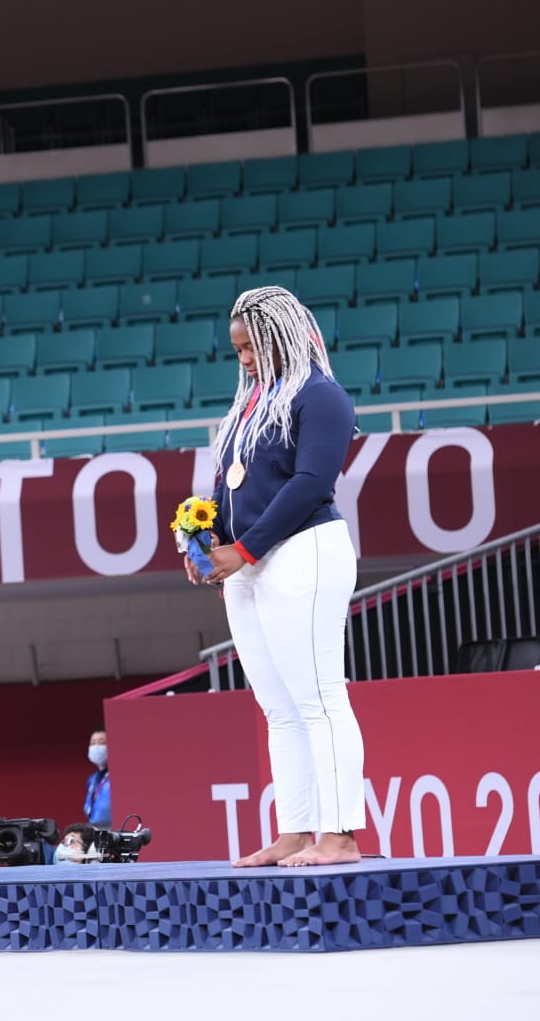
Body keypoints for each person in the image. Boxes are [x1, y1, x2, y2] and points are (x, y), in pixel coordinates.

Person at [189, 285, 365, 868]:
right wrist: (207, 541)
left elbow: (311, 484)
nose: (243, 359)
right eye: (237, 349)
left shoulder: (321, 396)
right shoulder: (248, 407)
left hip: (304, 550)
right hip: (250, 562)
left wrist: (242, 549)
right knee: (279, 709)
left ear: (281, 337)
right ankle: (295, 831)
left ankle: (340, 836)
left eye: (251, 347)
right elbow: (229, 487)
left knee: (319, 698)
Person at [84, 725, 111, 826]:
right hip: (94, 828)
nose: (96, 747)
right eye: (93, 743)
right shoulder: (92, 779)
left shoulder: (117, 777)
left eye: (102, 743)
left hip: (113, 829)